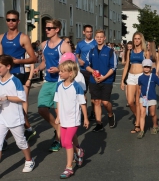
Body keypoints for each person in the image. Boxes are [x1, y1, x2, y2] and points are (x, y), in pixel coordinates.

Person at [34, 19, 72, 151]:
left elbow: (70, 66)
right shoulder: (44, 45)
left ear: (57, 30)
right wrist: (38, 68)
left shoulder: (64, 46)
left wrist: (58, 69)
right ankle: (58, 129)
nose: (46, 30)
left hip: (60, 82)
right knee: (42, 108)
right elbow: (45, 62)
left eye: (49, 28)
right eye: (46, 28)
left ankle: (57, 139)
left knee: (58, 112)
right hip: (48, 81)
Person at [0, 10, 37, 142]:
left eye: (13, 20)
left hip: (18, 75)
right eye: (9, 19)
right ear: (6, 21)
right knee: (4, 104)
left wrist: (17, 61)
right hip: (4, 75)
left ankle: (19, 132)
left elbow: (33, 58)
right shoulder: (1, 37)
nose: (11, 22)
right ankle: (26, 129)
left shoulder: (23, 38)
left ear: (18, 21)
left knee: (15, 105)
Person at [54, 59, 89, 179]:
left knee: (67, 142)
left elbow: (82, 103)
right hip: (63, 119)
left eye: (62, 71)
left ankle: (68, 168)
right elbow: (58, 101)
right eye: (60, 71)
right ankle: (79, 151)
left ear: (70, 73)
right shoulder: (59, 85)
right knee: (64, 143)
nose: (60, 73)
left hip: (73, 119)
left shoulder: (76, 87)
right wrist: (58, 116)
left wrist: (86, 118)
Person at [0, 55, 35, 172]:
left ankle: (29, 160)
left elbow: (22, 97)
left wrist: (7, 97)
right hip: (2, 118)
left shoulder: (15, 80)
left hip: (15, 118)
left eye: (0, 66)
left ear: (8, 66)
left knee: (21, 143)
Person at [84, 30, 117, 132]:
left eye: (101, 37)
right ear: (95, 38)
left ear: (104, 38)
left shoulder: (110, 51)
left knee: (105, 102)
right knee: (97, 102)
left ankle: (110, 114)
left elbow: (113, 67)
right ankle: (99, 123)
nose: (99, 38)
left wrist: (103, 77)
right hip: (94, 81)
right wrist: (93, 72)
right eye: (97, 37)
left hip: (107, 80)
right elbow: (86, 66)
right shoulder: (91, 51)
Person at [121, 32, 149, 133]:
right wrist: (122, 80)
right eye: (135, 38)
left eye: (138, 38)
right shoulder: (130, 51)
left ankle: (137, 124)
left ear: (141, 40)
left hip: (140, 76)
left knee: (138, 101)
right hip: (131, 76)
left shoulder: (145, 52)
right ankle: (138, 115)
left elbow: (148, 66)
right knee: (130, 101)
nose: (136, 40)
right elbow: (126, 66)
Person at [137, 59, 159, 139]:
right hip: (143, 98)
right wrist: (139, 97)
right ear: (142, 67)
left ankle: (155, 125)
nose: (146, 68)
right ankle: (141, 130)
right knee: (142, 114)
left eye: (148, 67)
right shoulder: (140, 77)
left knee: (152, 114)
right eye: (145, 67)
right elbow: (139, 88)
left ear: (151, 68)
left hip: (152, 98)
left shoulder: (154, 77)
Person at [75, 25, 98, 120]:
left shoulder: (96, 43)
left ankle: (93, 112)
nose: (89, 33)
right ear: (83, 32)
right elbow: (76, 55)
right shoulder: (80, 44)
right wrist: (79, 60)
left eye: (91, 31)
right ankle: (85, 112)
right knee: (82, 93)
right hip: (83, 71)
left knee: (93, 94)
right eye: (87, 31)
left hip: (93, 70)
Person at [121, 41, 133, 107]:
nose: (129, 48)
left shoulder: (134, 52)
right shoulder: (126, 53)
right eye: (128, 47)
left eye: (130, 47)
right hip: (127, 69)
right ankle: (128, 100)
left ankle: (132, 99)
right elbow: (123, 63)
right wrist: (127, 62)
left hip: (132, 69)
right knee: (126, 85)